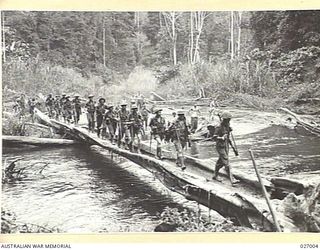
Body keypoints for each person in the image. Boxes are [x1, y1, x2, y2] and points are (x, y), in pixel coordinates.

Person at [212, 111, 239, 185]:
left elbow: (228, 137)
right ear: (224, 119)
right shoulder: (219, 127)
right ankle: (232, 179)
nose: (229, 120)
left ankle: (215, 175)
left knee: (220, 162)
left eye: (229, 119)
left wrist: (233, 148)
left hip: (226, 146)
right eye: (228, 119)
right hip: (220, 146)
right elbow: (214, 137)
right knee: (226, 162)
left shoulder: (227, 126)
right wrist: (221, 138)